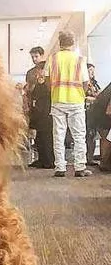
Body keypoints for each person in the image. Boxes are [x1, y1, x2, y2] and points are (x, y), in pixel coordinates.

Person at [44, 31, 91, 177]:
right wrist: (80, 94)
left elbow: (47, 81)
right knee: (78, 135)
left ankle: (60, 168)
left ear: (60, 43)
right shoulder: (79, 59)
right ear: (73, 43)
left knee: (58, 135)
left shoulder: (52, 59)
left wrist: (55, 91)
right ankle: (79, 167)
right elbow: (85, 82)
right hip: (76, 101)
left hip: (58, 100)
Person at [28, 63, 54, 169]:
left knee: (47, 138)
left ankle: (49, 160)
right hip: (38, 113)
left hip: (46, 113)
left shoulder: (48, 85)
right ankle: (42, 159)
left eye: (40, 70)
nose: (38, 73)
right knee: (39, 138)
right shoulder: (38, 84)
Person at [85, 63, 101, 165]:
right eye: (90, 70)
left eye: (93, 70)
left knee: (93, 135)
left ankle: (90, 157)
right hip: (86, 111)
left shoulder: (94, 83)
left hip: (95, 111)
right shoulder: (84, 83)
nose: (92, 72)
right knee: (88, 135)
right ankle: (86, 158)